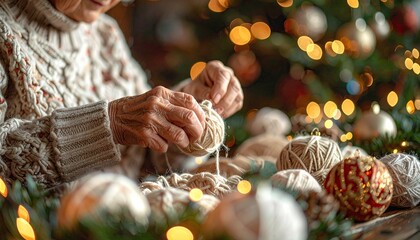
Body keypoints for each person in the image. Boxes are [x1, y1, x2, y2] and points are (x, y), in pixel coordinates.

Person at [0, 0, 243, 191]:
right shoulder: (5, 32)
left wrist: (185, 112)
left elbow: (144, 156)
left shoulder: (105, 33)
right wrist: (107, 125)